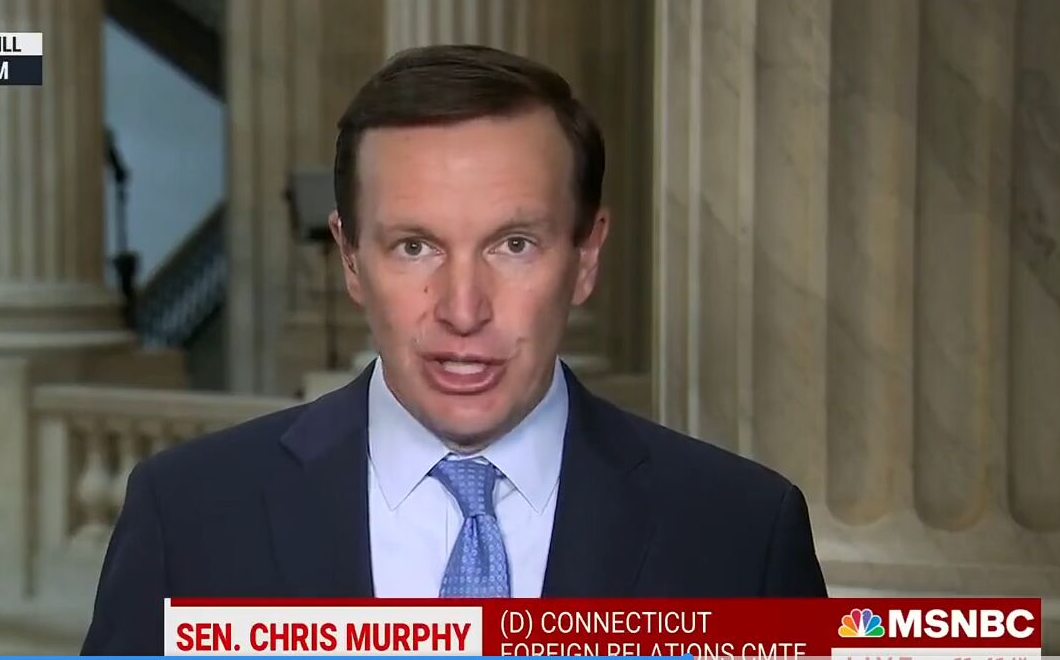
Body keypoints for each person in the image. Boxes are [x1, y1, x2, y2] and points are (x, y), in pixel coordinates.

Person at [81, 44, 825, 656]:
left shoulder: (742, 535)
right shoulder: (189, 516)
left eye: (514, 244)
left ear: (586, 257)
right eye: (415, 246)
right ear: (350, 258)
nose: (463, 311)